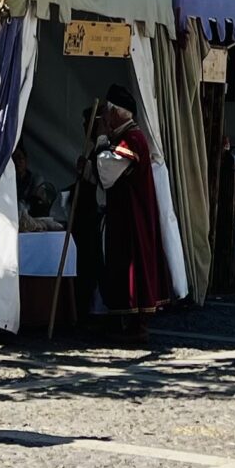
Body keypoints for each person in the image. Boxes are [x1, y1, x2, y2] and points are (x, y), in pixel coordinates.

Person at [91, 84, 171, 337]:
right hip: (125, 215)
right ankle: (121, 317)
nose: (104, 118)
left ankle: (137, 323)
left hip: (132, 216)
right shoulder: (128, 138)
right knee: (121, 264)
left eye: (107, 112)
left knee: (133, 264)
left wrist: (101, 140)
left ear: (116, 114)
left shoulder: (132, 139)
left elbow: (107, 171)